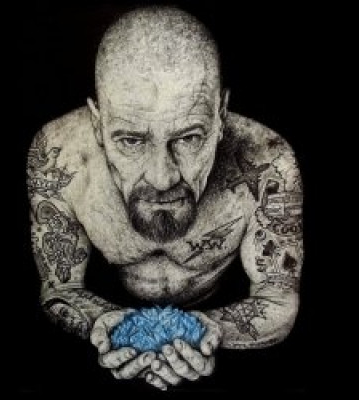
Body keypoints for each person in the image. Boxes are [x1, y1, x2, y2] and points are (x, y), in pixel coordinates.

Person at [27, 6, 304, 391]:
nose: (162, 178)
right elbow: (61, 288)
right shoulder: (59, 158)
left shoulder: (267, 163)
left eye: (189, 137)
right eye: (131, 140)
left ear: (221, 116)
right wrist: (109, 324)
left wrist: (206, 329)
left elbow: (278, 298)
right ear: (98, 123)